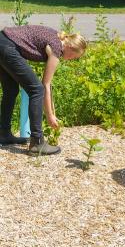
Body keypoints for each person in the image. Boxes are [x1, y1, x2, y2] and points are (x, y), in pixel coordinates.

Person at [0, 25, 87, 155]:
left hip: (3, 41)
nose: (72, 59)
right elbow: (45, 84)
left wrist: (51, 111)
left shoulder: (55, 36)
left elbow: (48, 85)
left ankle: (4, 134)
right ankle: (37, 142)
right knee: (36, 90)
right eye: (74, 56)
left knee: (11, 90)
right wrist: (50, 116)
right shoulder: (57, 47)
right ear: (70, 47)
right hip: (8, 47)